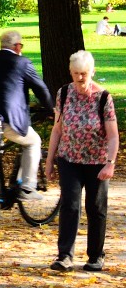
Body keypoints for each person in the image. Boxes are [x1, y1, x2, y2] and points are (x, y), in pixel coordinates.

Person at [46, 49, 118, 272]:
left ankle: (96, 255)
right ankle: (65, 255)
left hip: (96, 161)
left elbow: (114, 135)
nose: (79, 78)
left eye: (84, 73)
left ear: (92, 72)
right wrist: (49, 160)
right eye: (76, 73)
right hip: (69, 158)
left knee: (96, 207)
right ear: (70, 72)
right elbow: (57, 129)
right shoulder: (64, 93)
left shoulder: (103, 97)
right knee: (70, 204)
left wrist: (110, 162)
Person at [0, 29, 53, 201]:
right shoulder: (22, 62)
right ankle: (27, 188)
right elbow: (40, 88)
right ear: (18, 46)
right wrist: (51, 109)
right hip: (8, 118)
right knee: (34, 142)